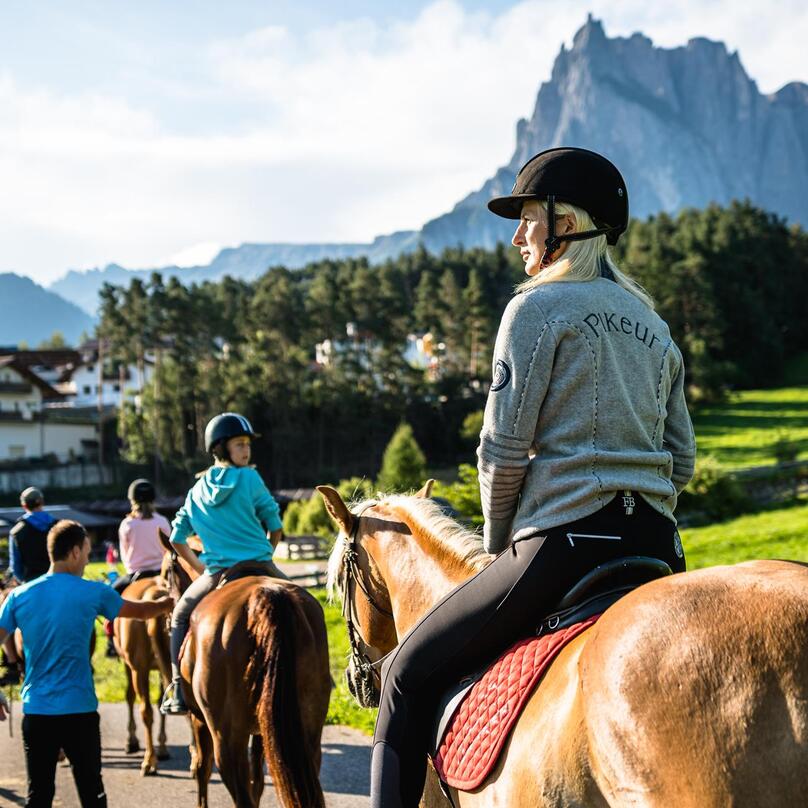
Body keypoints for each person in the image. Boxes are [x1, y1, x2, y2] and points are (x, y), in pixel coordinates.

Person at [368, 147, 697, 807]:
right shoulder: (655, 329)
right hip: (658, 549)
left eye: (528, 219)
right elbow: (681, 458)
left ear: (568, 223)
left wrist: (497, 548)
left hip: (560, 550)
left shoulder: (533, 311)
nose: (519, 235)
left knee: (404, 674)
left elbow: (503, 450)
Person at [0, 519, 174, 808]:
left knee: (39, 797)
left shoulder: (18, 596)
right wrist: (170, 603)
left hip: (38, 713)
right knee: (93, 795)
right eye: (86, 550)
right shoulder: (94, 592)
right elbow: (143, 612)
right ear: (75, 552)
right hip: (79, 714)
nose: (85, 559)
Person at [159, 412, 289, 715]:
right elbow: (275, 525)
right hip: (261, 565)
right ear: (222, 449)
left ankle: (178, 688)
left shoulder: (196, 491)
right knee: (306, 603)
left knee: (180, 618)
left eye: (247, 445)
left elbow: (177, 539)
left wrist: (200, 566)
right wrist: (266, 553)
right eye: (240, 444)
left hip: (217, 574)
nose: (246, 450)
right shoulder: (250, 477)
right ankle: (320, 672)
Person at [103, 479, 172, 657]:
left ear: (132, 500)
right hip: (162, 573)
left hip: (136, 574)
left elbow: (125, 555)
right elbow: (169, 548)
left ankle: (111, 640)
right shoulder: (163, 521)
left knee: (110, 601)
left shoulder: (127, 524)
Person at [1, 487, 58, 686]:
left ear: (23, 505)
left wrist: (22, 581)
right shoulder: (58, 525)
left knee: (4, 606)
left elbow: (16, 568)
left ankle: (11, 663)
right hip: (60, 579)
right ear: (42, 502)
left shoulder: (17, 531)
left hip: (30, 583)